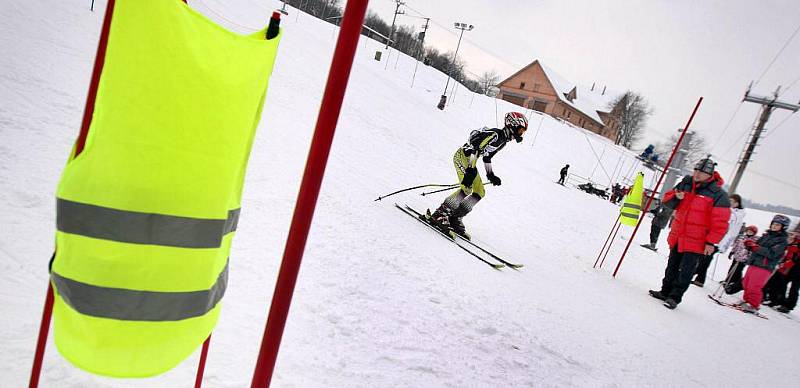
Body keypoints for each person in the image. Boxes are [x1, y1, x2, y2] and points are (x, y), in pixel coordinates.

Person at [424, 112, 528, 240]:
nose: (520, 134)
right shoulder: (495, 134)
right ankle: (440, 214)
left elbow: (487, 157)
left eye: (523, 131)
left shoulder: (502, 142)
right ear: (512, 124)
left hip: (470, 162)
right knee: (466, 188)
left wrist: (491, 175)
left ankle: (454, 217)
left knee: (479, 192)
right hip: (462, 156)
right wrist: (471, 169)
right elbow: (476, 148)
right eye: (520, 129)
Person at [648, 157, 731, 309]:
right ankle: (665, 291)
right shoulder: (686, 183)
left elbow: (720, 223)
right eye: (696, 170)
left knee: (685, 271)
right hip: (679, 234)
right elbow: (667, 200)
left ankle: (675, 297)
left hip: (698, 240)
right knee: (671, 265)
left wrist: (710, 242)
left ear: (710, 175)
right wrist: (675, 197)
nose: (697, 174)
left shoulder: (719, 195)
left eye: (702, 172)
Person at [737, 214, 790, 314]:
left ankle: (753, 305)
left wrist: (755, 247)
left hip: (765, 266)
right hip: (755, 262)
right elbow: (757, 245)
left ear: (783, 227)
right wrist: (749, 245)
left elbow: (772, 253)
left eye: (778, 225)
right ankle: (747, 300)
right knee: (746, 282)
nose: (774, 226)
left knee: (754, 285)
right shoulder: (766, 235)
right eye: (773, 224)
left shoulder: (782, 241)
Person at [692, 194, 747, 287]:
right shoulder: (731, 212)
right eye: (729, 200)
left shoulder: (735, 214)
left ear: (737, 203)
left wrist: (724, 243)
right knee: (705, 258)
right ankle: (699, 279)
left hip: (719, 240)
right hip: (716, 238)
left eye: (732, 201)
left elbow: (729, 230)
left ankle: (694, 274)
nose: (730, 203)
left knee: (705, 258)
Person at [765, 232, 799, 313]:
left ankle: (788, 305)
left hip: (796, 269)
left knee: (794, 288)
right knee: (781, 284)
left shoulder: (796, 245)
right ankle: (777, 300)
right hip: (790, 268)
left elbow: (795, 259)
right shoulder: (793, 244)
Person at [722, 225, 758, 294]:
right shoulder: (742, 237)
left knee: (738, 270)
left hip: (744, 258)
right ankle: (729, 280)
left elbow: (753, 250)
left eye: (751, 232)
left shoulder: (754, 240)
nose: (749, 232)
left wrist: (749, 257)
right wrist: (732, 252)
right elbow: (736, 245)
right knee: (732, 268)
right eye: (748, 231)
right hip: (737, 256)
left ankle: (731, 281)